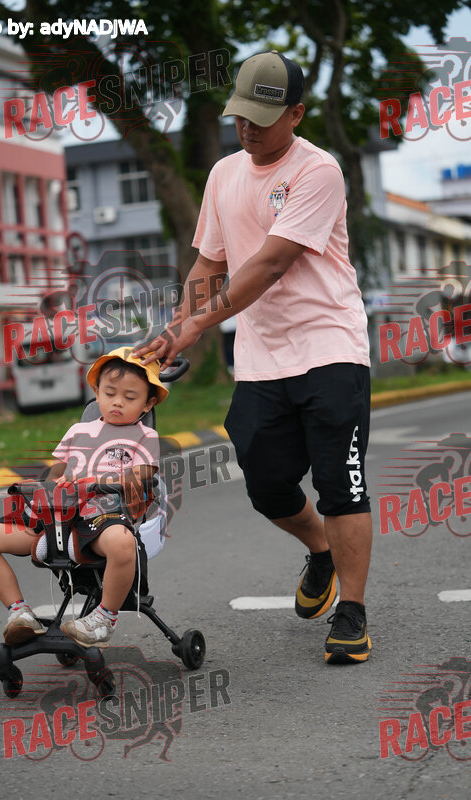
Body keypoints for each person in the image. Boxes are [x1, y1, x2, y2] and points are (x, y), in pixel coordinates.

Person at [134, 50, 373, 664]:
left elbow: (269, 264)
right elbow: (210, 262)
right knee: (266, 483)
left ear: (296, 113)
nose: (248, 128)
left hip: (330, 346)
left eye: (262, 118)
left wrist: (198, 326)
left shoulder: (318, 171)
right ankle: (321, 551)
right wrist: (176, 327)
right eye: (240, 115)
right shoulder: (223, 174)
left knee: (340, 484)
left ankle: (352, 613)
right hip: (263, 357)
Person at [0, 347, 166, 648]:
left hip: (103, 516)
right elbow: (56, 473)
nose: (117, 401)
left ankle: (104, 617)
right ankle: (20, 613)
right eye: (109, 393)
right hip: (59, 517)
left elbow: (139, 477)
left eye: (130, 397)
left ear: (148, 403)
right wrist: (51, 485)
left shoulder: (145, 437)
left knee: (122, 542)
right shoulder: (78, 430)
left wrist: (94, 482)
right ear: (96, 392)